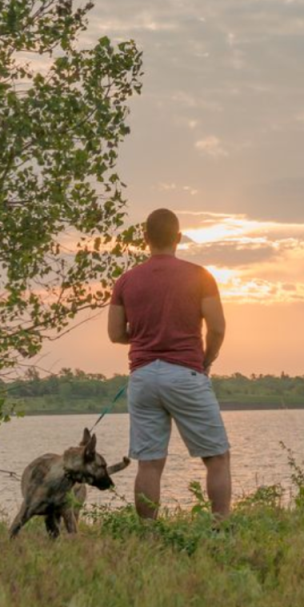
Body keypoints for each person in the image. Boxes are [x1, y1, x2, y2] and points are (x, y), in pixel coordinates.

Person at [108, 208, 232, 519]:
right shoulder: (200, 276)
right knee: (217, 457)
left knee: (149, 462)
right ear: (178, 238)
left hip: (143, 378)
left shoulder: (126, 281)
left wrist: (143, 337)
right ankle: (220, 528)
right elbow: (217, 327)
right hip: (186, 373)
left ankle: (147, 535)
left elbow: (115, 333)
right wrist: (206, 360)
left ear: (145, 238)